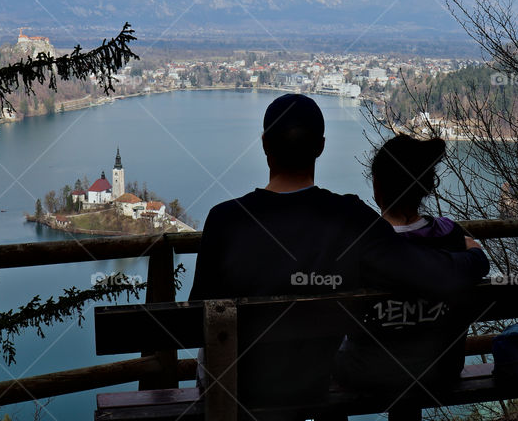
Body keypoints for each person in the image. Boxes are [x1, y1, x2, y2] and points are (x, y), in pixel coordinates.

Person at [189, 94, 488, 409]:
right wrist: (474, 257)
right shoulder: (351, 218)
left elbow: (197, 318)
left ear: (265, 144)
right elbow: (426, 273)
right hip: (308, 386)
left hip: (236, 389)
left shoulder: (225, 219)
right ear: (320, 147)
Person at [333, 134, 475, 392]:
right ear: (427, 187)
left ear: (377, 186)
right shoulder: (452, 236)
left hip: (366, 375)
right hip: (440, 372)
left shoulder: (361, 246)